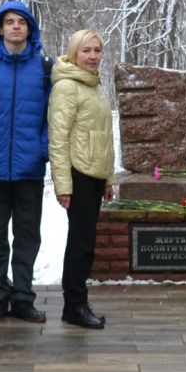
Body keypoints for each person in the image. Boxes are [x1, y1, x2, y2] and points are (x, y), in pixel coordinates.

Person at [0, 0, 51, 323]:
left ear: (30, 29)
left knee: (27, 237)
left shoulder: (45, 68)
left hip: (29, 169)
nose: (16, 27)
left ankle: (22, 298)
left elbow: (51, 116)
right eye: (9, 22)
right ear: (0, 29)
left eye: (22, 21)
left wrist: (41, 148)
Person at [48, 28, 117, 330]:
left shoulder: (95, 86)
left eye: (97, 50)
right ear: (74, 53)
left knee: (86, 242)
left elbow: (105, 138)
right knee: (80, 244)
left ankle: (77, 303)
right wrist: (64, 185)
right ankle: (74, 304)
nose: (92, 56)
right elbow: (58, 140)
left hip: (95, 174)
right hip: (77, 174)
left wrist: (109, 178)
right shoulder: (66, 87)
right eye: (86, 50)